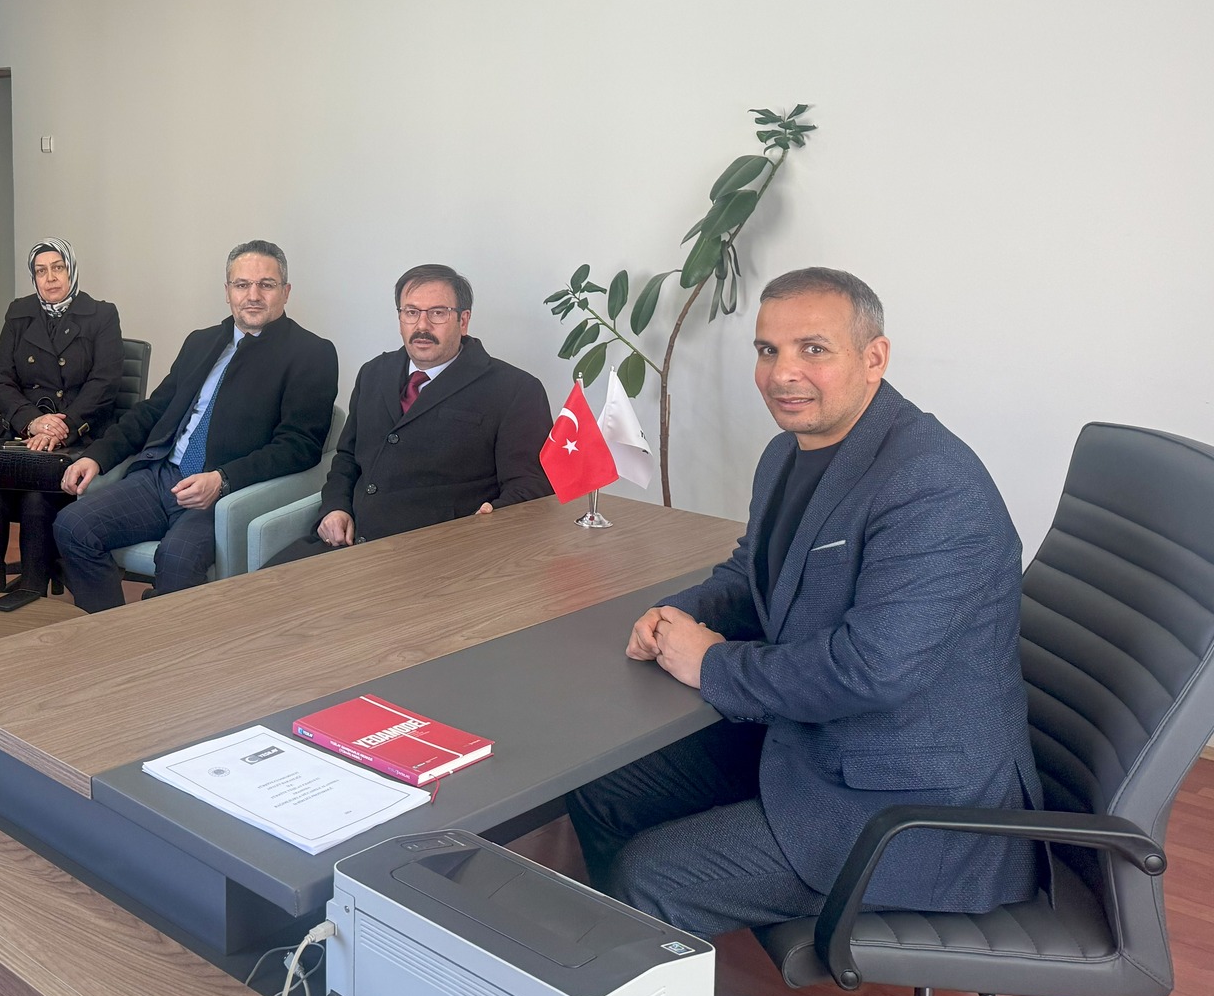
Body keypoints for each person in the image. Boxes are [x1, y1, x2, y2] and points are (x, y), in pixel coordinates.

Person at [564, 268, 1040, 938]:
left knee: (652, 875)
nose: (782, 373)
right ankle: (643, 966)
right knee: (604, 782)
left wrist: (711, 663)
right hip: (815, 743)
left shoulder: (932, 484)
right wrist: (677, 614)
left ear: (874, 357)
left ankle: (641, 963)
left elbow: (869, 670)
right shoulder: (787, 454)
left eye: (813, 349)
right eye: (768, 350)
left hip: (911, 797)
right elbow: (755, 576)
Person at [52, 241, 336, 610]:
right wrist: (98, 456)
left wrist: (222, 479)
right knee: (72, 525)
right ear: (227, 292)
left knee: (177, 558)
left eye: (266, 285)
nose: (253, 295)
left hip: (225, 494)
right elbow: (154, 410)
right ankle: (113, 632)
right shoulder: (202, 342)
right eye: (242, 285)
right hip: (162, 477)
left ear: (286, 291)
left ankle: (174, 643)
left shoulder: (312, 353)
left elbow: (300, 445)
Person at [265, 264, 553, 566]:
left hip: (437, 557)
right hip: (347, 543)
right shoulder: (373, 373)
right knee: (256, 589)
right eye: (411, 312)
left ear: (463, 320)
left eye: (438, 313)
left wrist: (483, 528)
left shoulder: (515, 389)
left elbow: (529, 487)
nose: (422, 325)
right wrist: (335, 507)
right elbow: (347, 457)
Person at [0, 239, 125, 601]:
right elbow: (0, 381)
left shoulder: (101, 315)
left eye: (58, 268)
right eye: (41, 271)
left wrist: (63, 427)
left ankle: (32, 592)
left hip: (78, 435)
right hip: (23, 431)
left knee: (36, 495)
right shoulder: (19, 313)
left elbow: (105, 384)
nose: (50, 278)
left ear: (71, 271)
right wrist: (33, 422)